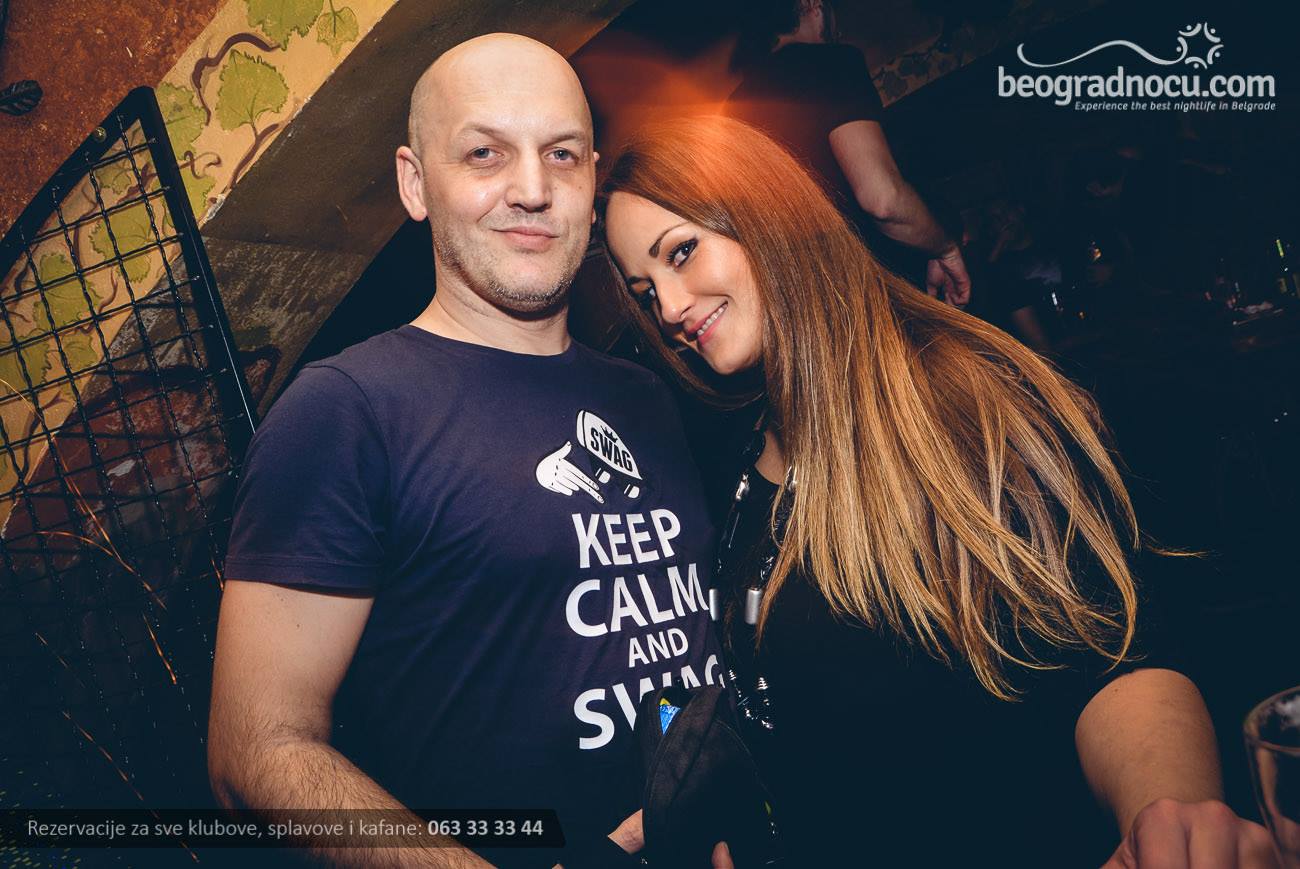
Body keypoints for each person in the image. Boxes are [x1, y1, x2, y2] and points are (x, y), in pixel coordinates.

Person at [598, 115, 1278, 868]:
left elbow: (1110, 660)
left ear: (765, 214)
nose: (669, 307)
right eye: (645, 291)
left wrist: (1166, 817)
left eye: (681, 252)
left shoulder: (955, 402)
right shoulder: (741, 447)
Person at [209, 34, 729, 869]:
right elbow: (257, 751)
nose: (532, 189)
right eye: (485, 153)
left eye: (561, 154)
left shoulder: (650, 392)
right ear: (416, 183)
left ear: (592, 179)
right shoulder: (346, 409)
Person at [726, 0, 971, 305]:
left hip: (803, 303)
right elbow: (883, 200)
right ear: (811, 4)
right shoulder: (830, 62)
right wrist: (944, 247)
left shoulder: (731, 112)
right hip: (873, 292)